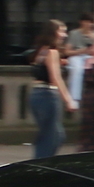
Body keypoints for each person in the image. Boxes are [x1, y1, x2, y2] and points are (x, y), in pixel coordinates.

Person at [27, 20, 71, 159]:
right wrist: (68, 99)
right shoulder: (52, 52)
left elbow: (41, 70)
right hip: (48, 95)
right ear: (53, 32)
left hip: (36, 94)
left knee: (51, 134)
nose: (64, 35)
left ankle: (41, 162)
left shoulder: (42, 50)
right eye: (61, 31)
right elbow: (55, 78)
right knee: (52, 137)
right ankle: (39, 166)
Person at [64, 15, 94, 106]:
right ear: (81, 22)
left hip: (89, 57)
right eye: (86, 21)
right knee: (77, 70)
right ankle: (74, 98)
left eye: (90, 22)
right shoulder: (74, 34)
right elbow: (67, 51)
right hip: (76, 56)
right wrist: (80, 51)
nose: (88, 24)